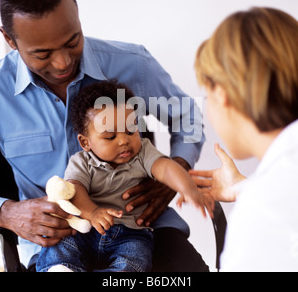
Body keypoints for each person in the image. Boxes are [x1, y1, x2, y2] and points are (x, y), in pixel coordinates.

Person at [0, 0, 208, 271]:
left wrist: (177, 172)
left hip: (141, 228)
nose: (62, 63)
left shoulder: (134, 64)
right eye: (42, 54)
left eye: (72, 41)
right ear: (9, 39)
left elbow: (188, 117)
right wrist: (5, 213)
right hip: (55, 242)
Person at [36, 81, 213, 272]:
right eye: (110, 137)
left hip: (131, 234)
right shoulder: (81, 161)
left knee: (135, 260)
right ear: (85, 142)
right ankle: (60, 268)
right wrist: (93, 212)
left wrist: (186, 187)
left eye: (130, 130)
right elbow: (75, 189)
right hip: (87, 231)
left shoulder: (143, 152)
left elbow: (165, 167)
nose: (123, 141)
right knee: (61, 246)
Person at [191, 7, 298, 271]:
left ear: (222, 94)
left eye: (206, 95)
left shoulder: (261, 213)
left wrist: (255, 196)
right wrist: (244, 188)